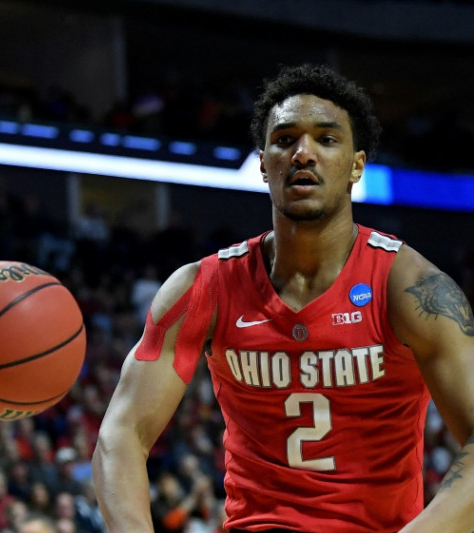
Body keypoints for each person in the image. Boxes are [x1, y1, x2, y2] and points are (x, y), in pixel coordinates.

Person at [92, 63, 474, 532]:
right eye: (285, 138)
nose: (303, 153)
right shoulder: (205, 286)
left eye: (326, 139)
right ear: (263, 161)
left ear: (357, 163)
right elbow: (122, 433)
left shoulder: (412, 287)